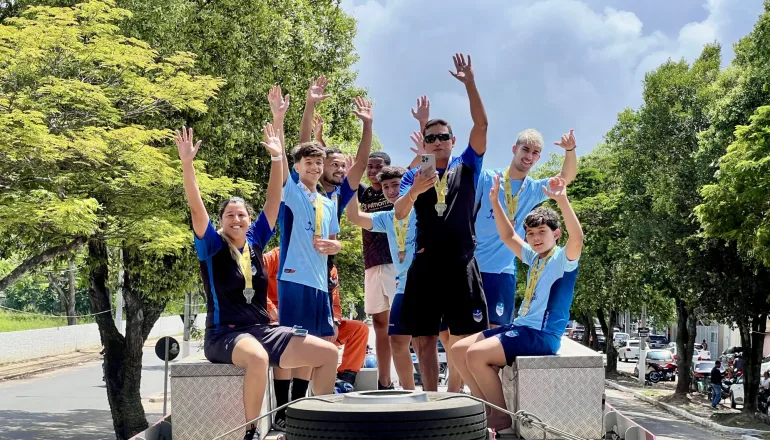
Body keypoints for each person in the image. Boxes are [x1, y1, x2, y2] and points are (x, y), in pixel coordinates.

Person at [177, 125, 338, 440]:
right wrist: (187, 164)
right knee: (259, 358)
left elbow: (273, 201)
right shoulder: (211, 246)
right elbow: (197, 208)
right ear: (221, 221)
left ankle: (321, 427)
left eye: (242, 216)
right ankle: (251, 431)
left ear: (249, 221)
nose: (236, 220)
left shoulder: (255, 241)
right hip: (226, 336)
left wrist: (278, 159)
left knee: (328, 354)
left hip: (264, 331)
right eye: (230, 216)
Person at [452, 175, 583, 433]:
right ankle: (487, 409)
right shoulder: (535, 258)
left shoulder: (563, 260)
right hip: (521, 326)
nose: (535, 238)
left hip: (542, 335)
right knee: (458, 350)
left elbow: (577, 238)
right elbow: (508, 235)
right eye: (531, 233)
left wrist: (562, 199)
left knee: (476, 355)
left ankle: (501, 418)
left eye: (542, 232)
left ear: (556, 234)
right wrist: (494, 201)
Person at [394, 53, 489, 392]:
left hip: (461, 263)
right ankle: (429, 403)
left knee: (464, 339)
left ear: (452, 140)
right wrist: (414, 190)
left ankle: (454, 401)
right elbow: (400, 213)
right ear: (423, 143)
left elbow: (481, 126)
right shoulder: (414, 174)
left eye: (442, 137)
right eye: (429, 138)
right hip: (426, 265)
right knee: (423, 340)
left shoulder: (466, 164)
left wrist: (469, 83)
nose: (436, 142)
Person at [474, 128, 577, 327]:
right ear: (515, 149)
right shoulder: (487, 178)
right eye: (525, 149)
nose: (529, 156)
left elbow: (565, 177)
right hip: (472, 267)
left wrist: (570, 150)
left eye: (535, 153)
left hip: (502, 271)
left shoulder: (534, 189)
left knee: (496, 331)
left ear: (538, 158)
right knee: (466, 333)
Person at [263, 247, 369, 425]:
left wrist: (333, 322)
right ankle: (282, 410)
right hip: (279, 319)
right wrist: (272, 309)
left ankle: (342, 380)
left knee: (359, 329)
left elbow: (335, 302)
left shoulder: (329, 267)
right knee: (290, 334)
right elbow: (255, 279)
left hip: (317, 320)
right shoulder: (277, 255)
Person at [346, 166, 416, 390]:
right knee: (398, 340)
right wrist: (350, 180)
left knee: (429, 341)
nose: (390, 190)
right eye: (386, 186)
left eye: (395, 184)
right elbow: (354, 216)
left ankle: (444, 395)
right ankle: (408, 394)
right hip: (403, 285)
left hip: (426, 284)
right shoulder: (387, 218)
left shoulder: (421, 209)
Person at [357, 151, 399, 389]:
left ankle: (409, 381)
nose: (372, 171)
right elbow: (346, 176)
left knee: (401, 326)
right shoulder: (364, 192)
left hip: (395, 262)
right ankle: (384, 383)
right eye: (369, 166)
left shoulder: (396, 189)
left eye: (378, 167)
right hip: (371, 263)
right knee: (380, 325)